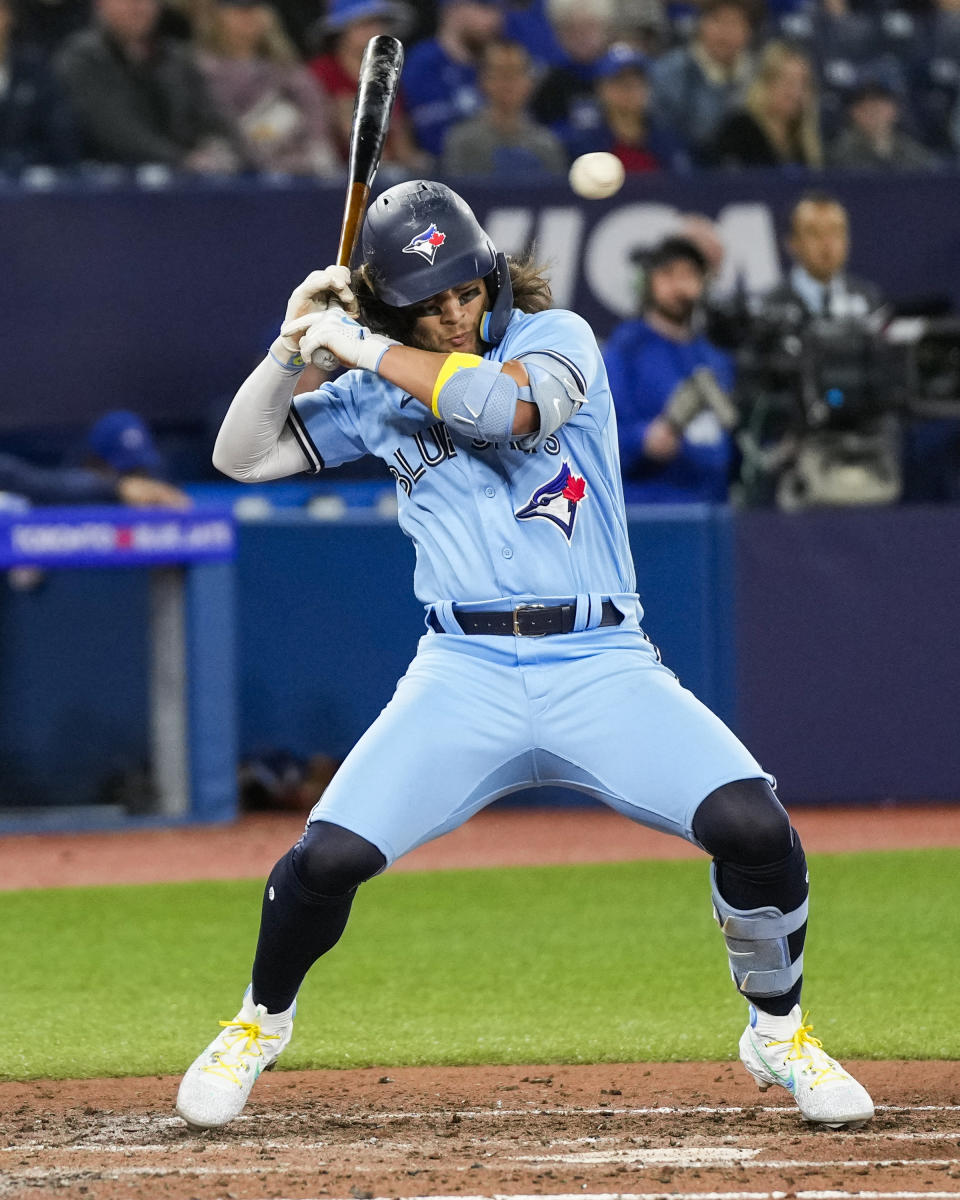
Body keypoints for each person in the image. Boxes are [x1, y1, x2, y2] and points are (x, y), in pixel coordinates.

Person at [174, 178, 875, 1135]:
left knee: (754, 827)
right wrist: (291, 344)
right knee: (324, 859)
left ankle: (777, 1030)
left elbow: (508, 415)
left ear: (492, 278)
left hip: (600, 660)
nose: (456, 313)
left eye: (466, 290)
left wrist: (368, 344)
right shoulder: (375, 390)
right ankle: (258, 1022)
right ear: (391, 307)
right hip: (460, 674)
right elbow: (242, 457)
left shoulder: (559, 340)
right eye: (430, 303)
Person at [754, 191, 900, 508]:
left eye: (835, 233)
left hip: (868, 449)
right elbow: (760, 394)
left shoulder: (869, 300)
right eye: (814, 234)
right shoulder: (770, 308)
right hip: (798, 459)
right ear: (792, 244)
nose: (827, 245)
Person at [603, 234, 736, 502]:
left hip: (714, 512)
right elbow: (598, 434)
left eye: (689, 275)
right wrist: (643, 440)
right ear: (649, 282)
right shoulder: (625, 351)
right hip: (651, 509)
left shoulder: (716, 358)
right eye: (668, 274)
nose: (679, 286)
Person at [54, 0, 249, 170]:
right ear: (101, 3)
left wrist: (237, 153)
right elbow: (114, 128)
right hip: (108, 189)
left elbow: (213, 115)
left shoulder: (176, 58)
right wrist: (182, 159)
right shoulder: (82, 58)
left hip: (184, 185)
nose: (140, 7)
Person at [196, 0, 339, 177]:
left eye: (255, 9)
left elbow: (315, 116)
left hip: (290, 166)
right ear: (217, 17)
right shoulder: (200, 69)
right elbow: (207, 121)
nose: (249, 18)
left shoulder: (287, 69)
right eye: (239, 11)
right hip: (229, 166)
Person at [307, 0, 425, 177]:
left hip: (390, 176)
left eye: (380, 23)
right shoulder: (321, 72)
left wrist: (411, 162)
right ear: (342, 31)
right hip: (335, 175)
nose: (376, 31)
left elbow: (401, 132)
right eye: (365, 25)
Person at [441, 38, 567, 178]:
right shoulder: (463, 141)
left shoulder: (546, 144)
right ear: (483, 80)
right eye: (500, 72)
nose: (508, 83)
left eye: (516, 72)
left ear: (529, 82)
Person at [648, 0, 755, 160]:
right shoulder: (669, 72)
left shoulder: (759, 73)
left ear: (748, 32)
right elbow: (659, 131)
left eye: (735, 23)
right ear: (700, 25)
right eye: (717, 21)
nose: (725, 33)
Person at [565, 41, 689, 172]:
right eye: (618, 80)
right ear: (600, 89)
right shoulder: (584, 143)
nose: (629, 88)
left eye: (637, 81)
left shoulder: (669, 137)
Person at [402, 0, 504, 157]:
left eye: (498, 10)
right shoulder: (423, 62)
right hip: (441, 175)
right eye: (484, 8)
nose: (496, 19)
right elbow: (431, 136)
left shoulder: (496, 64)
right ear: (453, 10)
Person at [706, 40, 823, 169]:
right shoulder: (739, 132)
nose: (796, 92)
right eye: (787, 82)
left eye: (803, 84)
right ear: (765, 84)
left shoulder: (804, 143)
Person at [0, 0, 81, 173]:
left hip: (30, 189)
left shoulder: (36, 71)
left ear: (10, 17)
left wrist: (16, 162)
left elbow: (61, 140)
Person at [829, 80, 941, 171]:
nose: (873, 111)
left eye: (880, 104)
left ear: (895, 110)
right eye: (863, 106)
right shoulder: (838, 155)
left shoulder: (914, 153)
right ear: (852, 113)